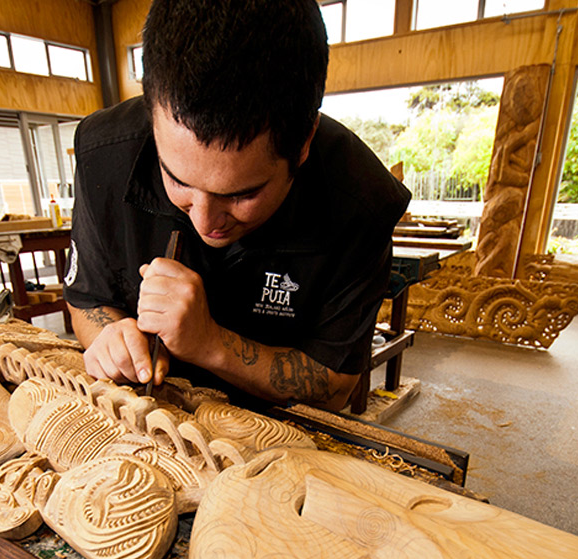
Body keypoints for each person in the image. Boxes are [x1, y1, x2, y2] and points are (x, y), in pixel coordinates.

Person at [63, 0, 411, 412]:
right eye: (177, 180)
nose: (204, 220)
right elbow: (86, 299)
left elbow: (335, 385)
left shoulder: (361, 200)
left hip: (276, 432)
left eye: (241, 194)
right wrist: (111, 338)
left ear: (302, 144)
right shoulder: (104, 153)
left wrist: (209, 344)